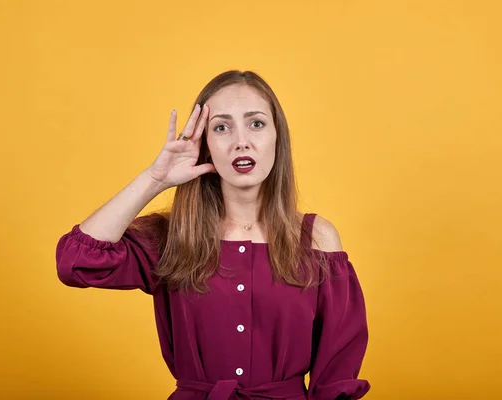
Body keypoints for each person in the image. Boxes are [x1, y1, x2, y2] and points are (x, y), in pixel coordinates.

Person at [55, 70, 370, 399]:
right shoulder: (171, 236)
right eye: (222, 127)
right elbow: (74, 261)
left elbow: (336, 375)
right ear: (204, 145)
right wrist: (155, 178)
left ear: (278, 137)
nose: (241, 141)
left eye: (256, 123)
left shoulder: (317, 239)